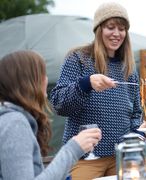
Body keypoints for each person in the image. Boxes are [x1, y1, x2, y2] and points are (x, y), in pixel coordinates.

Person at [49, 2, 141, 179]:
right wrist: (86, 84)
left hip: (121, 158)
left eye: (121, 29)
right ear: (99, 29)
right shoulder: (78, 59)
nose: (116, 33)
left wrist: (138, 134)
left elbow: (136, 113)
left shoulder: (129, 68)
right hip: (84, 157)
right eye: (110, 27)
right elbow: (58, 104)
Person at [0, 50, 101, 180]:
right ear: (30, 81)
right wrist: (73, 148)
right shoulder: (14, 124)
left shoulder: (12, 119)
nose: (46, 79)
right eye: (43, 74)